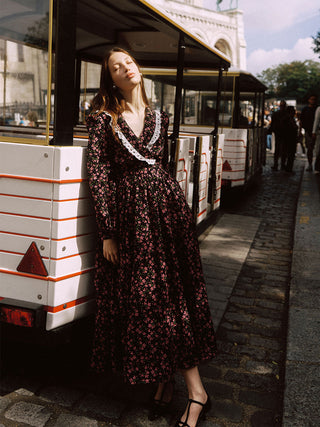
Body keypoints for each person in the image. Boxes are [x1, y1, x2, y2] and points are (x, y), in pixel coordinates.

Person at [86, 47, 216, 427]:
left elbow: (164, 164)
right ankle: (189, 390)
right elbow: (99, 177)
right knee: (151, 298)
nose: (125, 68)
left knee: (172, 294)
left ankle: (184, 388)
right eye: (116, 67)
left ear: (137, 67)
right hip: (132, 220)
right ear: (110, 78)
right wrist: (108, 233)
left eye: (128, 61)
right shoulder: (103, 119)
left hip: (168, 214)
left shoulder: (161, 115)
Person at [269, 100, 288, 171]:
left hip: (280, 133)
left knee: (279, 150)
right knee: (281, 150)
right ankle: (280, 165)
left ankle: (277, 164)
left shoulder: (277, 114)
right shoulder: (286, 114)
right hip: (281, 133)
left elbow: (272, 124)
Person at [300, 95, 318, 171]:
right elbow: (301, 121)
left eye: (314, 99)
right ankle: (310, 164)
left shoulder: (317, 109)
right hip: (308, 131)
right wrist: (300, 131)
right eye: (311, 99)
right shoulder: (305, 109)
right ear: (309, 100)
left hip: (317, 131)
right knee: (309, 149)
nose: (313, 101)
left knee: (317, 149)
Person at [282, 106, 298, 173]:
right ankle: (288, 168)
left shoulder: (289, 118)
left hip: (289, 139)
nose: (294, 112)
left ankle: (287, 167)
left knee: (288, 154)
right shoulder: (288, 119)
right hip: (290, 139)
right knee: (290, 154)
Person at [312, 105, 320, 173]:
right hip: (319, 133)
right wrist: (314, 131)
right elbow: (316, 120)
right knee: (318, 150)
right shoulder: (319, 109)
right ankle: (317, 167)